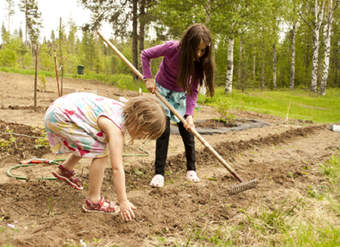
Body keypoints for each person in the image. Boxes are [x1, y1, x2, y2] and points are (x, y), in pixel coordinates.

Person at [44, 92, 166, 221]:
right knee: (101, 153)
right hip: (61, 118)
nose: (142, 138)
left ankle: (65, 169)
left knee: (96, 140)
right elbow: (117, 168)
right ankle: (93, 201)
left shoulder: (120, 109)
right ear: (140, 123)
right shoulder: (115, 129)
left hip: (59, 109)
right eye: (144, 134)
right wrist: (123, 201)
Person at [141, 23, 215, 188]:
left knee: (187, 131)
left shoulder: (200, 62)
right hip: (162, 91)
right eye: (196, 49)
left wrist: (189, 115)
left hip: (181, 94)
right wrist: (148, 78)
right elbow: (145, 55)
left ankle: (191, 170)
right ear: (188, 44)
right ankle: (159, 173)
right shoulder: (172, 48)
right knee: (164, 131)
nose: (198, 53)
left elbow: (193, 90)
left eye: (202, 50)